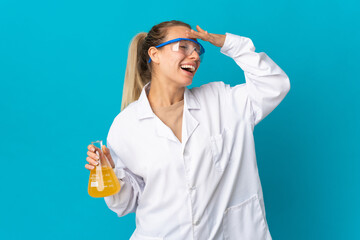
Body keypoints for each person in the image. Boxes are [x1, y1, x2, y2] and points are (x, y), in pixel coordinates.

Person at [85, 20, 290, 240]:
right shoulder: (126, 125)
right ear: (155, 54)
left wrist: (229, 44)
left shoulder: (222, 101)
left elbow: (275, 84)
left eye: (197, 49)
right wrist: (112, 175)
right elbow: (125, 204)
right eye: (183, 46)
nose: (194, 56)